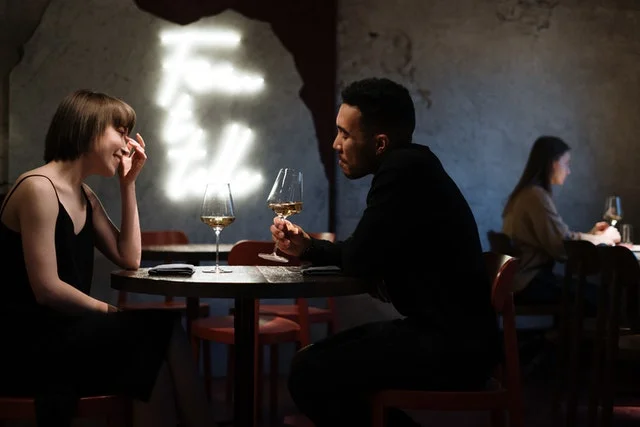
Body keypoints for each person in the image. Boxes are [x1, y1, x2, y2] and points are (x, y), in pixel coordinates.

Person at [269, 77, 501, 427]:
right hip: (455, 338)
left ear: (379, 143)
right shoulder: (414, 165)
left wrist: (325, 252)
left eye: (345, 135)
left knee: (309, 370)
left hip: (451, 349)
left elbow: (361, 257)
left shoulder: (402, 171)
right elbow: (366, 250)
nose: (335, 144)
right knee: (317, 363)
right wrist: (308, 247)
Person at [0, 90, 216, 427]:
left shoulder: (85, 195)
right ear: (89, 129)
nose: (128, 144)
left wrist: (128, 185)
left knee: (164, 333)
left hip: (69, 333)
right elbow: (47, 290)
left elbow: (129, 258)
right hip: (30, 344)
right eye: (122, 131)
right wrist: (110, 312)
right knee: (149, 342)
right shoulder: (38, 187)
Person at [502, 135, 620, 306]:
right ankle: (571, 333)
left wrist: (591, 235)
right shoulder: (535, 196)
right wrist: (602, 239)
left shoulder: (526, 193)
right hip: (529, 282)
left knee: (596, 293)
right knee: (604, 297)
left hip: (521, 279)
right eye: (567, 163)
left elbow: (559, 237)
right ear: (552, 163)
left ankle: (566, 333)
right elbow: (561, 245)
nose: (568, 170)